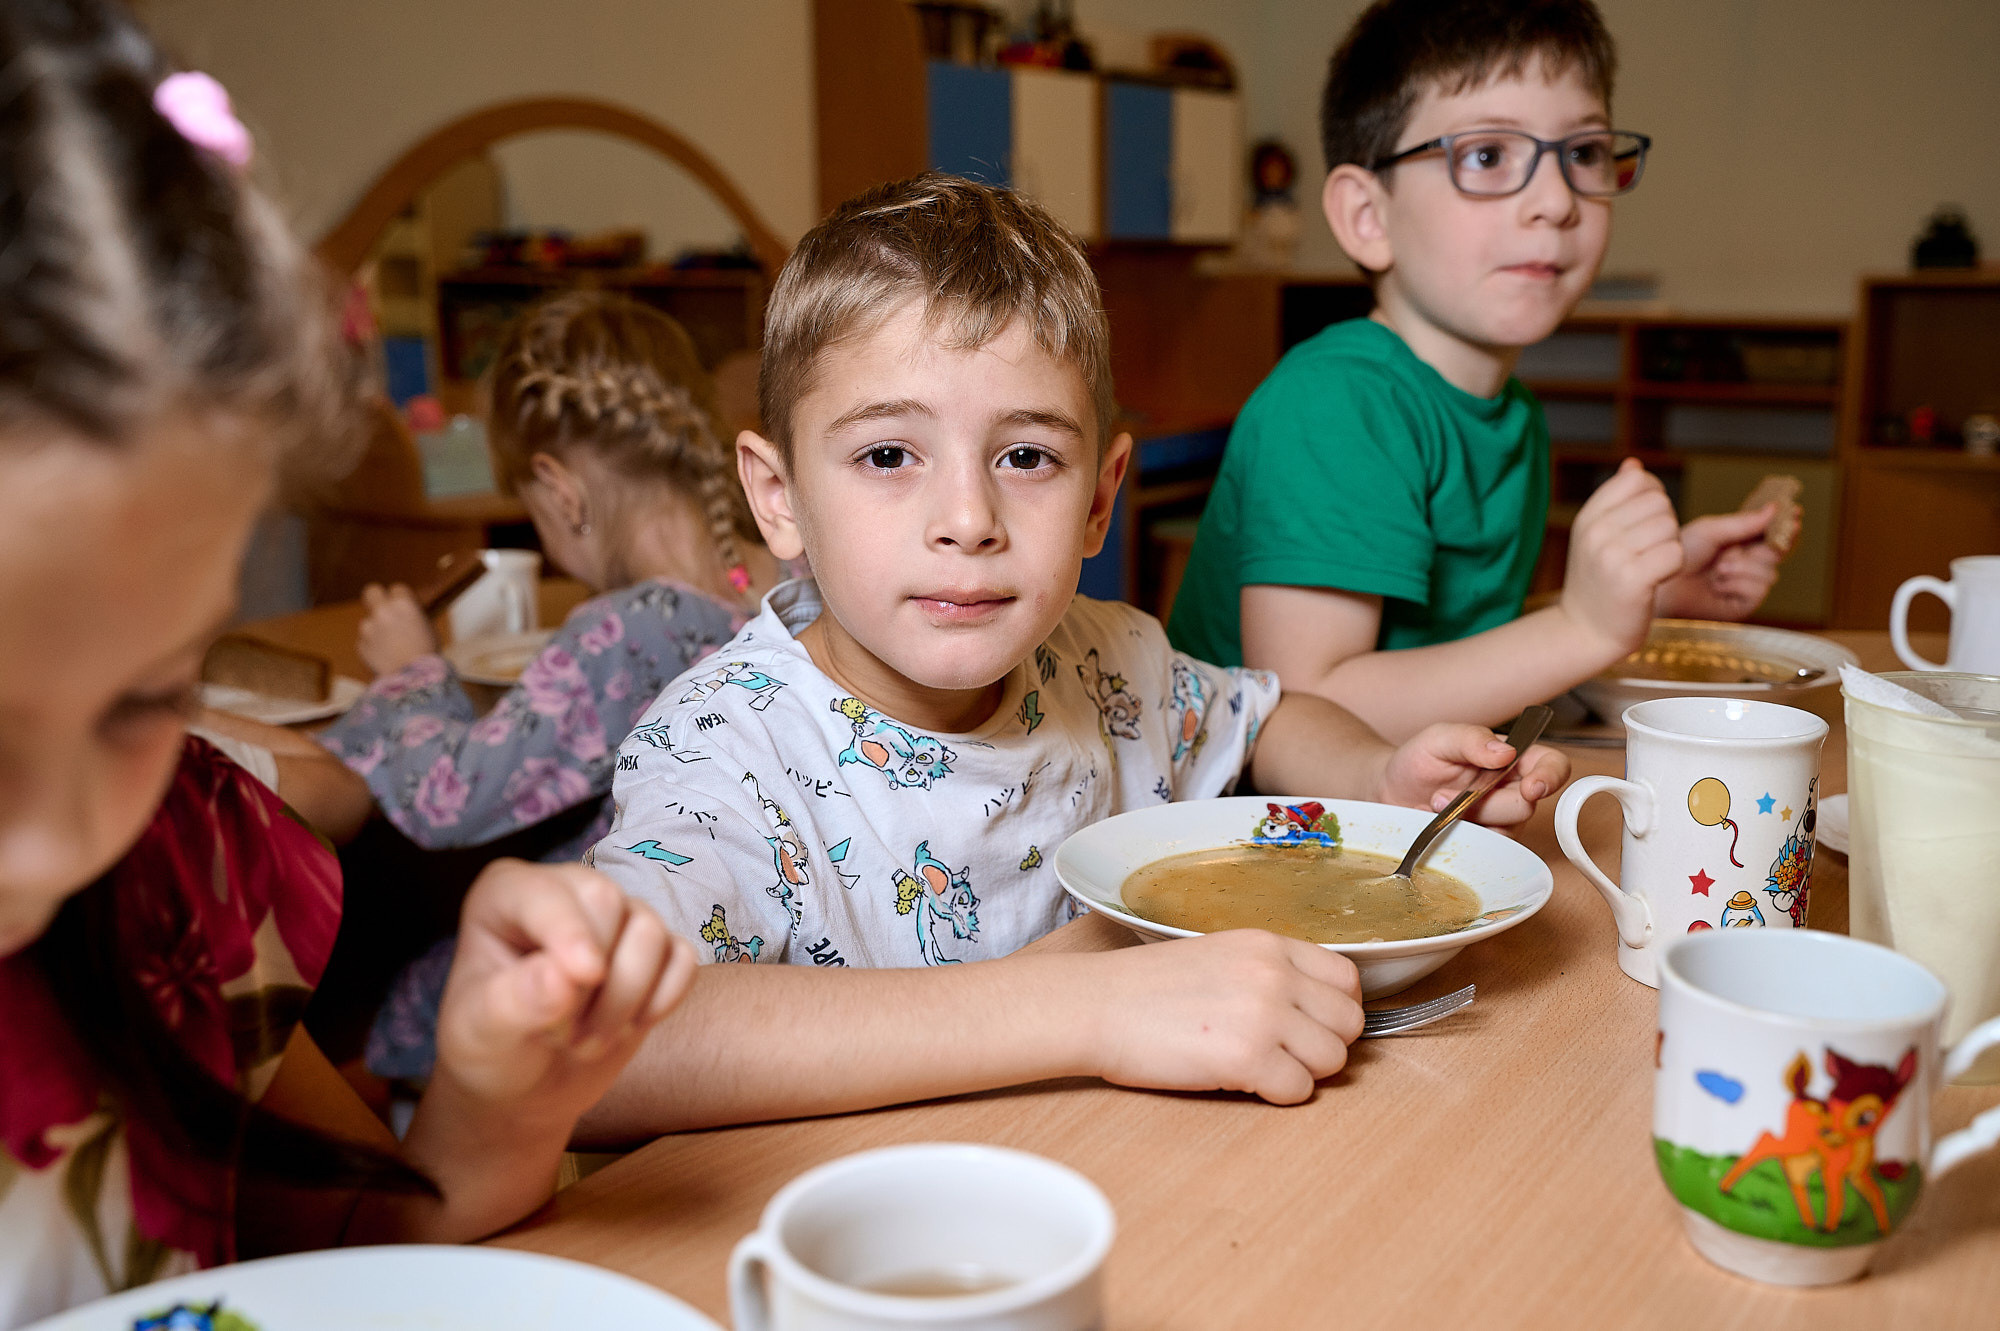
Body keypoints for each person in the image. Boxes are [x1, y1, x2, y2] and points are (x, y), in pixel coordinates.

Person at [571, 174, 1570, 1139]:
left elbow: (1261, 717)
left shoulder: (1108, 660)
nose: (967, 519)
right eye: (887, 455)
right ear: (778, 494)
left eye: (1025, 457)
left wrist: (1371, 774)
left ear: (1099, 497)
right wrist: (1086, 1006)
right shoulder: (725, 746)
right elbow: (596, 1057)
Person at [0, 8, 692, 1324]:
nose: (47, 840)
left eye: (148, 691)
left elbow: (365, 1232)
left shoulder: (173, 870)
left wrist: (502, 1096)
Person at [1165, 0, 1783, 741]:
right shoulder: (1336, 404)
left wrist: (1646, 594)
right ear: (1368, 215)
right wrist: (1580, 627)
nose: (1556, 201)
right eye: (1488, 156)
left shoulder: (1513, 412)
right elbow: (1304, 711)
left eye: (1583, 152)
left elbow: (1442, 651)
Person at [318, 291, 789, 864]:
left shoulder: (624, 633)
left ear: (560, 490)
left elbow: (448, 801)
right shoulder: (792, 574)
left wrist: (410, 671)